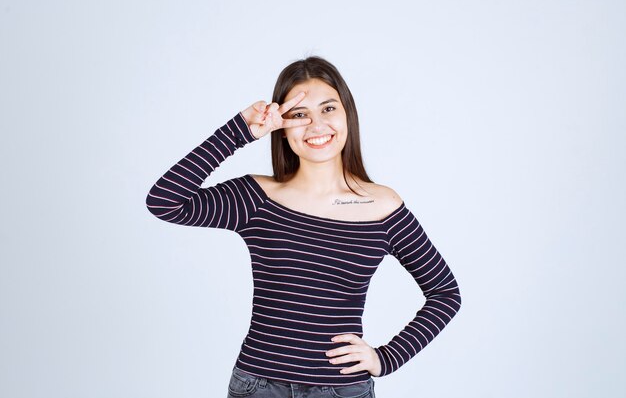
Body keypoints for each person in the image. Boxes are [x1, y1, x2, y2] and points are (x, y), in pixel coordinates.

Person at [146, 56, 462, 398]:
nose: (316, 125)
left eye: (328, 109)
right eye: (299, 114)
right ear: (282, 123)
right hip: (259, 386)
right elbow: (165, 202)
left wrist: (385, 358)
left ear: (347, 115)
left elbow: (445, 294)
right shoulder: (257, 197)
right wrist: (240, 130)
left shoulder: (382, 207)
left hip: (342, 390)